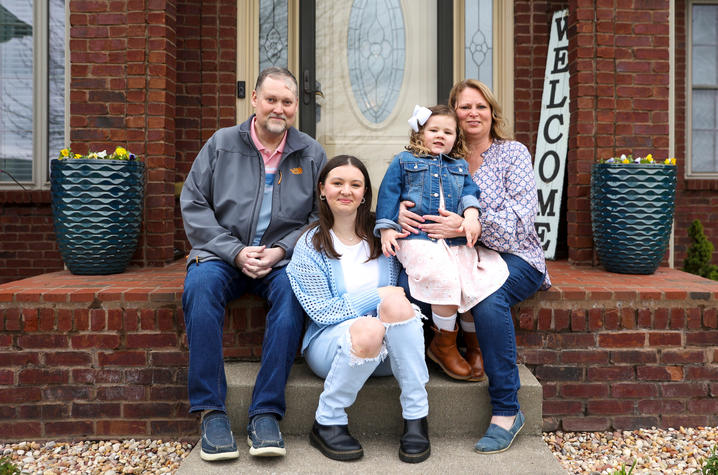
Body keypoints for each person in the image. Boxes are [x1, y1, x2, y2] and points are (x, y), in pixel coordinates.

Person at [180, 67, 327, 461]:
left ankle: (266, 413)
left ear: (296, 106)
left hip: (280, 259)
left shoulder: (310, 153)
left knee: (295, 294)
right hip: (221, 255)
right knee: (199, 287)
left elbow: (318, 217)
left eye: (287, 102)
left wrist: (281, 250)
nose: (279, 108)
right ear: (255, 101)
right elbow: (194, 204)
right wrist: (234, 251)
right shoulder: (221, 143)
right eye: (272, 99)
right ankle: (211, 412)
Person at [398, 80, 551, 454]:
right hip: (455, 257)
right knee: (406, 285)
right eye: (463, 107)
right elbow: (409, 193)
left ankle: (506, 410)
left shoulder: (511, 154)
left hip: (516, 256)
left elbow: (522, 220)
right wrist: (401, 211)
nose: (472, 114)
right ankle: (440, 353)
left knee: (487, 299)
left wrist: (472, 225)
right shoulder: (439, 154)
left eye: (480, 106)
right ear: (452, 115)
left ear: (492, 112)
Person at [286, 155, 431, 464]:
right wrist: (374, 294)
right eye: (337, 183)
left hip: (389, 352)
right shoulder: (310, 245)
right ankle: (328, 419)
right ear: (322, 189)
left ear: (365, 193)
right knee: (371, 324)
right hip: (332, 347)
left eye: (355, 184)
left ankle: (417, 418)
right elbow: (321, 312)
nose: (346, 191)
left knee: (396, 303)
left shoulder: (383, 236)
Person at [375, 104, 509, 382]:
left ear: (455, 138)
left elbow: (470, 192)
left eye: (447, 132)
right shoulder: (403, 161)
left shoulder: (458, 166)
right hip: (418, 239)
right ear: (419, 133)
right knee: (443, 278)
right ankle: (444, 345)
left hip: (452, 241)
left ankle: (473, 347)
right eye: (433, 130)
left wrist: (471, 216)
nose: (440, 135)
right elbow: (389, 193)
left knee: (472, 281)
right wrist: (387, 228)